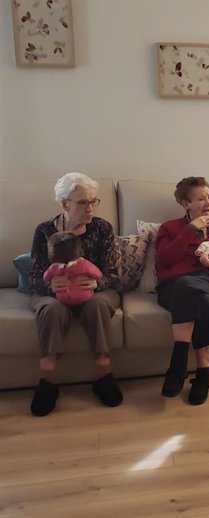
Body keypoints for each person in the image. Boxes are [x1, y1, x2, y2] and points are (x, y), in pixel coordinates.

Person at [29, 172, 123, 417]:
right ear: (64, 204)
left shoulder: (102, 228)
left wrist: (95, 283)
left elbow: (114, 273)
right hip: (54, 294)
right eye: (83, 202)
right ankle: (47, 382)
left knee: (97, 306)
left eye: (93, 201)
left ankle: (102, 375)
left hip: (97, 292)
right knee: (51, 309)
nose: (90, 208)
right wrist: (51, 286)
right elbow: (34, 276)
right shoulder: (44, 231)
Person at [156, 176, 209, 405]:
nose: (208, 202)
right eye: (201, 198)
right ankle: (204, 376)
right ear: (185, 204)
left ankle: (178, 365)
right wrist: (191, 229)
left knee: (193, 288)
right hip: (174, 287)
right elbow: (165, 261)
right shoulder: (169, 228)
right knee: (201, 300)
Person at [44, 231, 103, 306]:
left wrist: (96, 283)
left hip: (63, 298)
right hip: (83, 296)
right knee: (53, 308)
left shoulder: (54, 267)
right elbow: (98, 274)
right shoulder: (84, 264)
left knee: (97, 304)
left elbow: (45, 277)